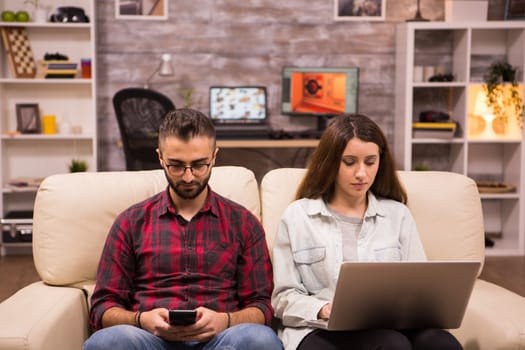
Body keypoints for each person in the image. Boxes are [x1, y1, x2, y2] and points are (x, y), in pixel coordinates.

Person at [84, 108, 282, 350]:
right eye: (176, 166)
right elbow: (103, 306)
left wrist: (225, 320)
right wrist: (141, 320)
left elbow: (261, 305)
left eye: (199, 165)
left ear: (214, 156)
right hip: (149, 340)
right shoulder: (130, 222)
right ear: (160, 158)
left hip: (220, 342)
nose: (188, 177)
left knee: (260, 340)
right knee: (108, 342)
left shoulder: (244, 223)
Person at [271, 114, 463, 350]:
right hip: (320, 328)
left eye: (370, 162)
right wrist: (322, 309)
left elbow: (419, 288)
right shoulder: (297, 216)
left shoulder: (397, 214)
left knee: (442, 343)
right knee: (392, 345)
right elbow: (282, 298)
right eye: (349, 162)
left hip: (391, 325)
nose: (361, 173)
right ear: (331, 162)